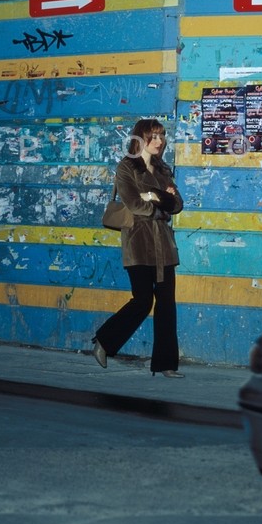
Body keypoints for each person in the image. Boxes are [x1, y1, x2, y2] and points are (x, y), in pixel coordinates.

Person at [91, 118, 185, 377]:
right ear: (140, 139)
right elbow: (134, 204)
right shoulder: (127, 167)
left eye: (161, 136)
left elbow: (177, 204)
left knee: (166, 303)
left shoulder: (163, 169)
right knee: (143, 301)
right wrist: (160, 203)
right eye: (153, 136)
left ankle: (166, 364)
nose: (159, 141)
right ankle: (105, 341)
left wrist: (154, 196)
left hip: (164, 244)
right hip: (139, 242)